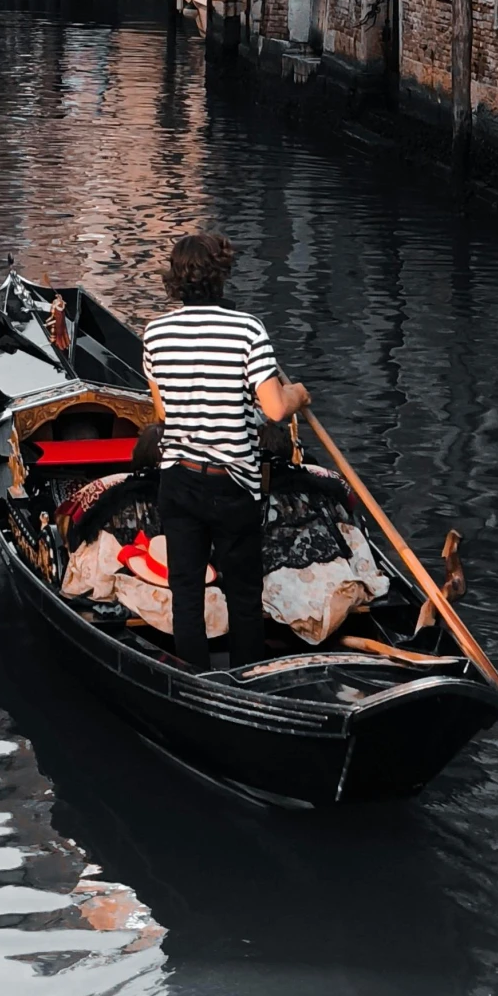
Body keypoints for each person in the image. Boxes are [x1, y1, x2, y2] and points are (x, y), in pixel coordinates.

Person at [141, 233, 309, 672]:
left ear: (175, 281)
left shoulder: (155, 334)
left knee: (187, 594)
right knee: (243, 596)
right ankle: (249, 682)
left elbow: (162, 410)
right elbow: (273, 409)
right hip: (233, 483)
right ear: (222, 277)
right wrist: (298, 394)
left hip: (178, 479)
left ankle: (194, 685)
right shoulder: (248, 330)